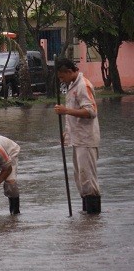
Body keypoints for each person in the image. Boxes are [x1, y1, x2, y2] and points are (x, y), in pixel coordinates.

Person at [54, 58, 101, 214]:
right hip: (77, 139)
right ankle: (87, 218)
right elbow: (74, 114)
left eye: (62, 77)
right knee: (80, 179)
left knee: (88, 179)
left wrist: (65, 111)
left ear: (69, 72)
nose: (61, 80)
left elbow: (91, 112)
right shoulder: (72, 86)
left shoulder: (83, 85)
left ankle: (93, 217)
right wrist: (66, 133)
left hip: (86, 139)